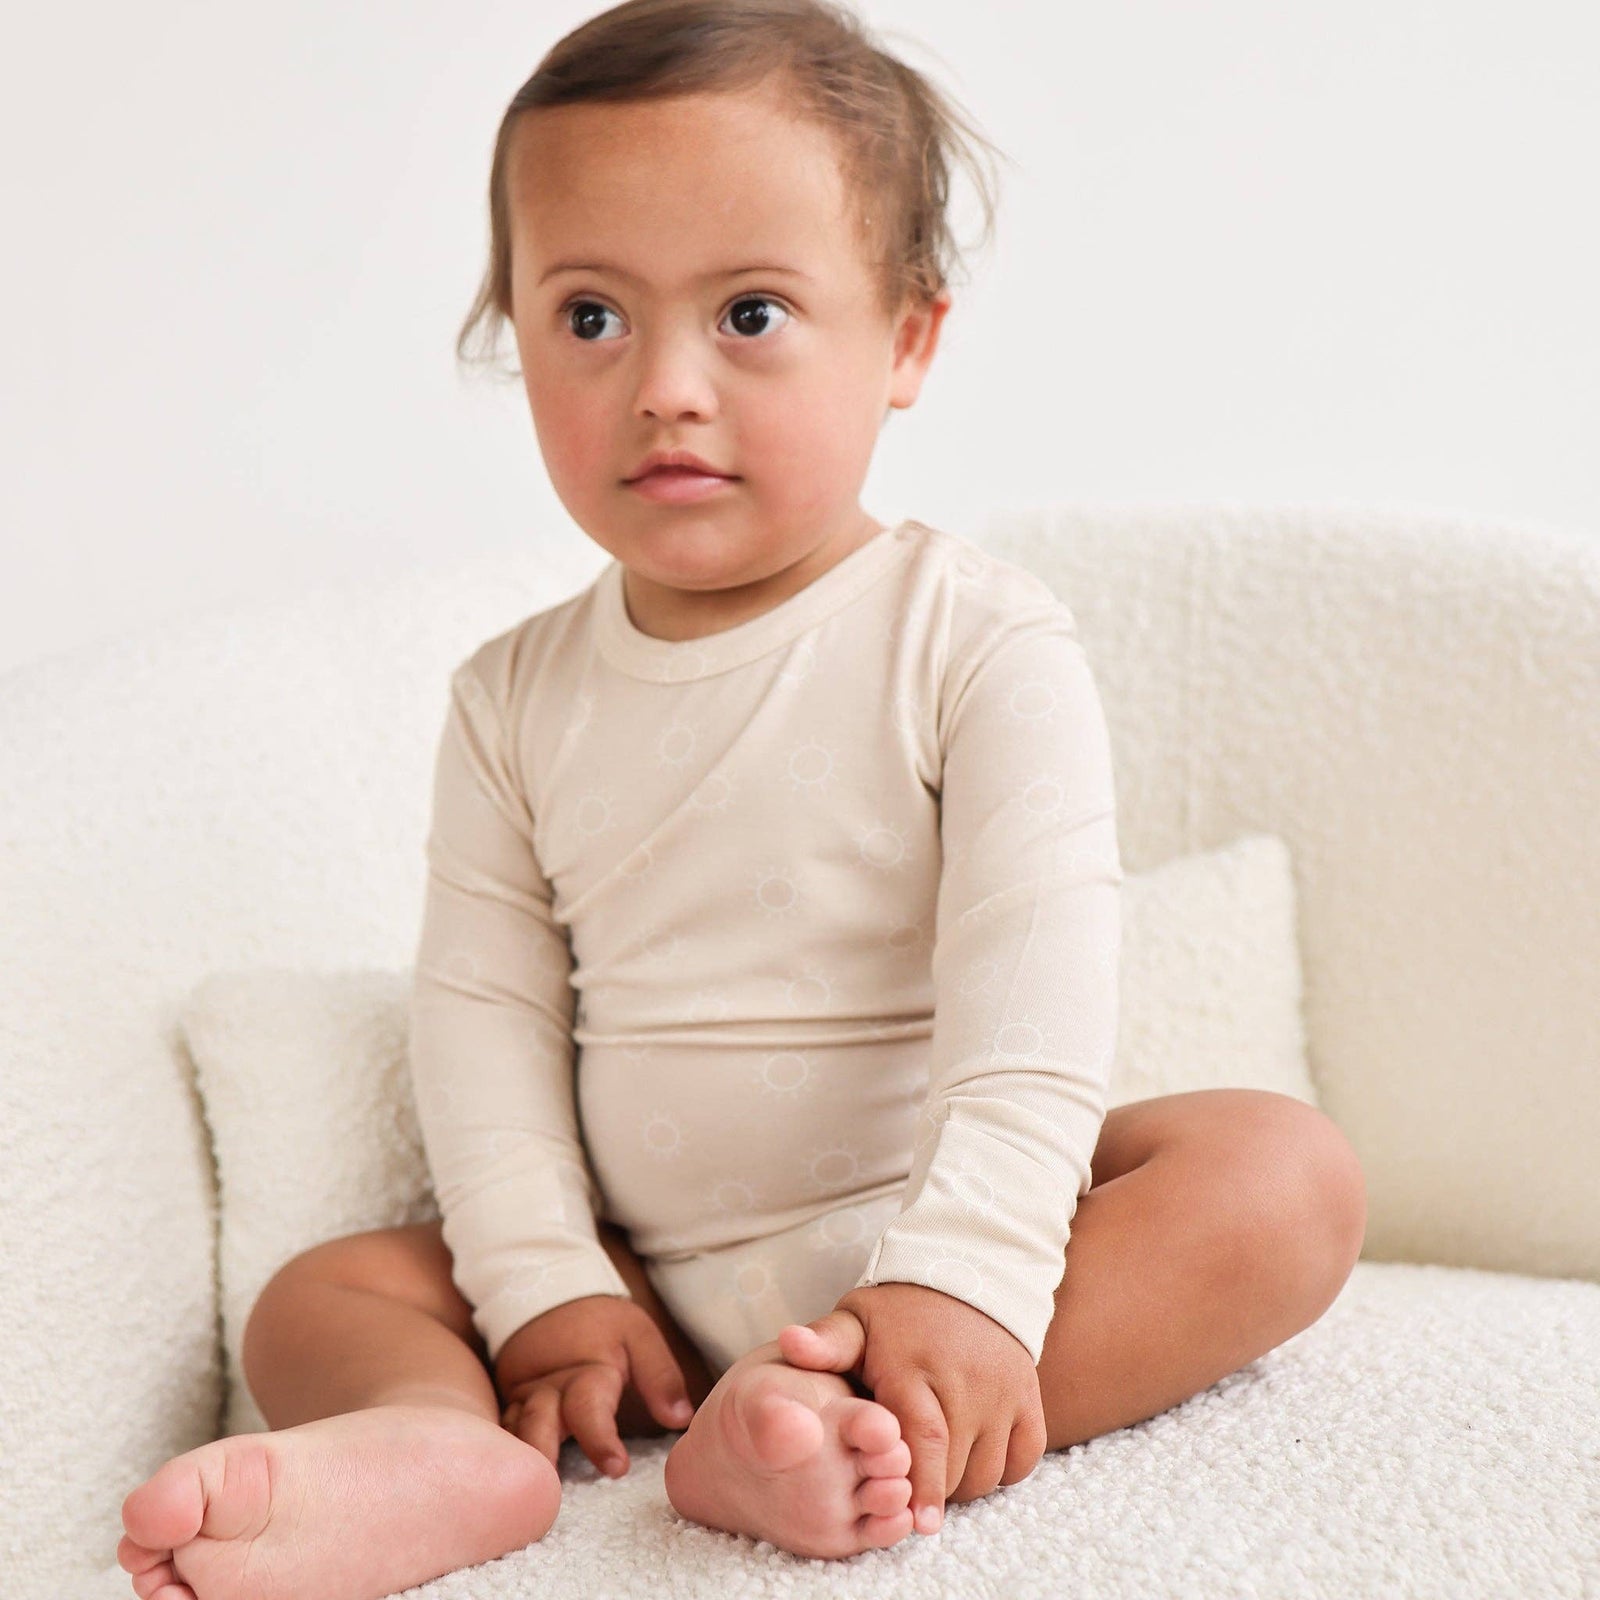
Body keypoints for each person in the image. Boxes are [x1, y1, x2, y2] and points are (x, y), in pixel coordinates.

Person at [117, 1, 1368, 1594]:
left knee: (1281, 1179)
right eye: (589, 319)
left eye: (753, 314)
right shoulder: (509, 699)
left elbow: (1034, 992)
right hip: (642, 1276)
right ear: (514, 334)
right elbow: (483, 1026)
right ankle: (442, 1450)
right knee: (320, 1291)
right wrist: (541, 1290)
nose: (665, 389)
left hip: (932, 1217)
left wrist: (970, 1276)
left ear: (908, 339)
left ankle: (871, 1408)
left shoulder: (972, 638)